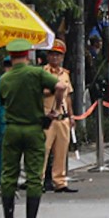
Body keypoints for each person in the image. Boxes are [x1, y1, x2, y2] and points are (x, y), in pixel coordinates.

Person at [0, 39, 67, 218]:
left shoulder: (5, 79)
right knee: (34, 174)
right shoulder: (37, 73)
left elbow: (3, 101)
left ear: (11, 56)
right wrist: (55, 110)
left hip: (12, 130)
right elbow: (61, 87)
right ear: (28, 54)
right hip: (34, 129)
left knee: (9, 174)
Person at [41, 39, 76, 193]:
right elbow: (39, 93)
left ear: (62, 57)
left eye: (58, 55)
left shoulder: (65, 75)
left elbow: (68, 96)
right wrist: (54, 91)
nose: (55, 58)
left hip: (62, 118)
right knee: (43, 151)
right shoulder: (42, 73)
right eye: (52, 54)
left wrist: (72, 115)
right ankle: (38, 181)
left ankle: (60, 182)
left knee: (61, 153)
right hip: (47, 118)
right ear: (48, 56)